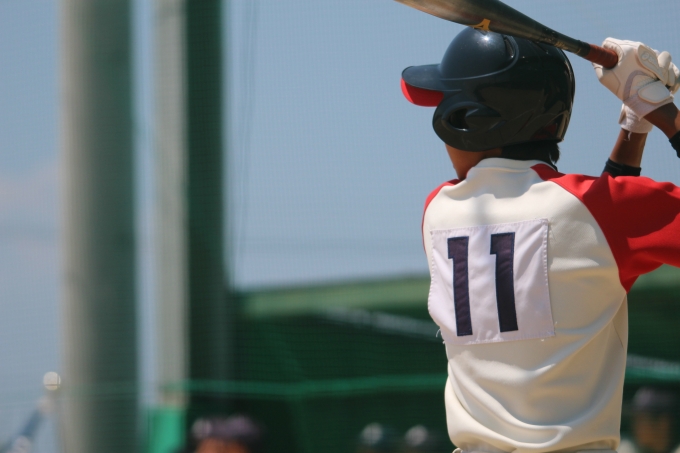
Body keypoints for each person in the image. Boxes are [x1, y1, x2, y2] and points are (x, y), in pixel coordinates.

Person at [400, 27, 680, 453]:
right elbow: (601, 228)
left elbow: (591, 232)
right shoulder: (598, 213)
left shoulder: (437, 211)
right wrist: (661, 111)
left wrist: (634, 124)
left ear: (468, 121)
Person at [619, 387, 680, 453]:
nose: (634, 426)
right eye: (634, 419)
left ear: (663, 423)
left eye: (641, 419)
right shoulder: (627, 448)